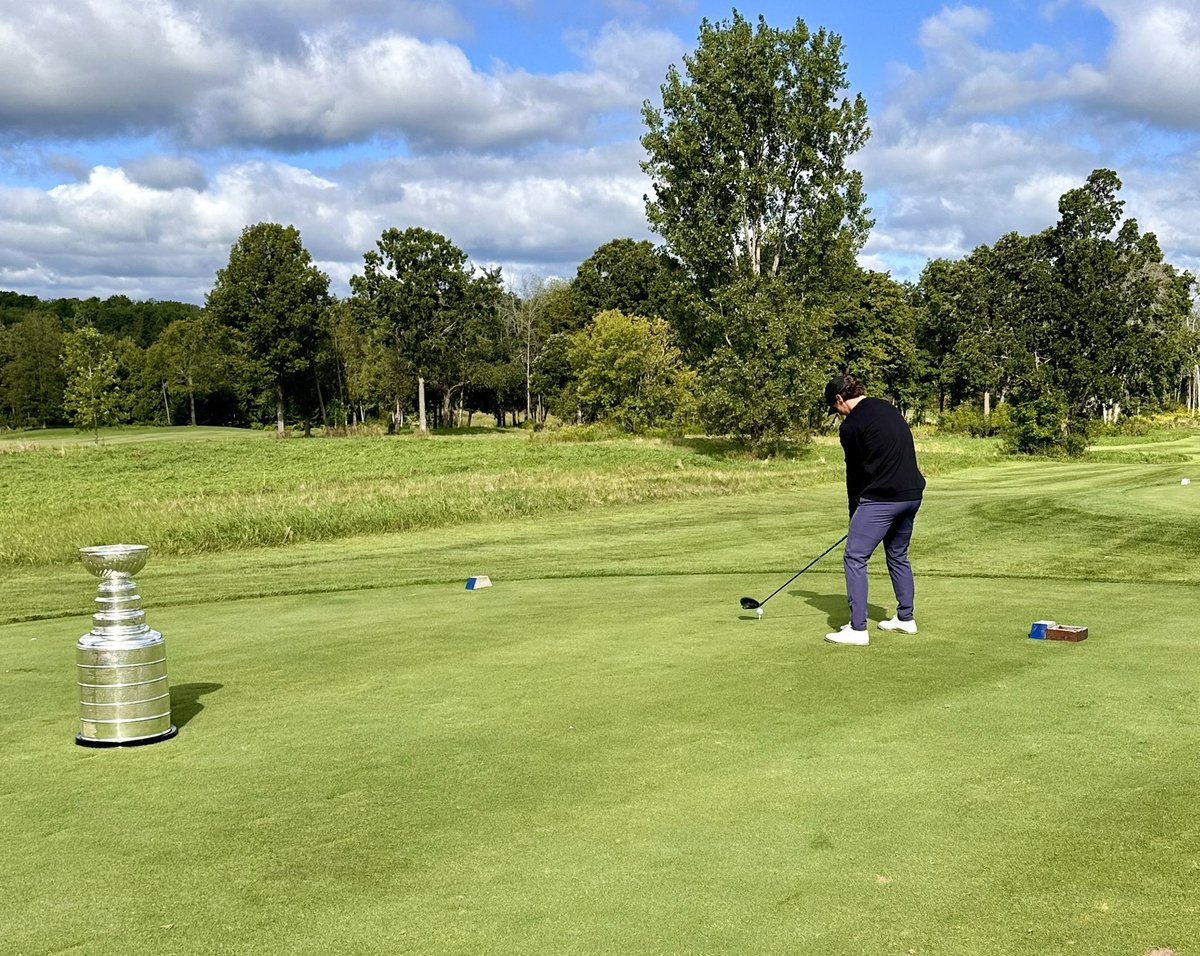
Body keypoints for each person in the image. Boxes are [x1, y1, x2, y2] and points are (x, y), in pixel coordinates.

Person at [823, 374, 926, 646]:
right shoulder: (887, 407)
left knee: (855, 557)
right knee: (898, 554)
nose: (838, 413)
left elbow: (854, 476)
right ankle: (906, 618)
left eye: (835, 408)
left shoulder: (851, 427)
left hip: (883, 498)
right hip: (912, 494)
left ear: (839, 398)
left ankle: (857, 629)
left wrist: (854, 513)